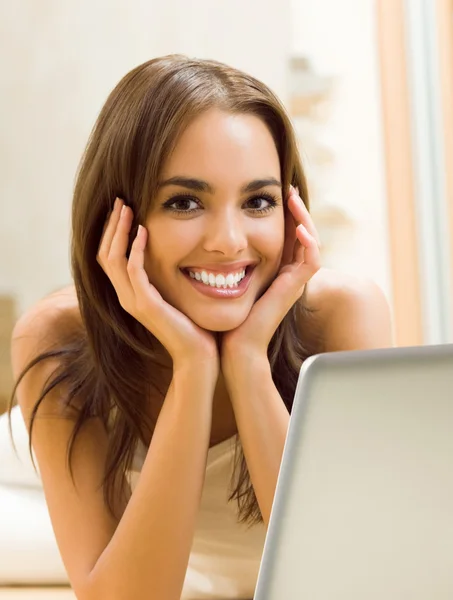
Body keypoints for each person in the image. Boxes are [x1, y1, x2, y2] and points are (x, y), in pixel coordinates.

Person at [8, 54, 393, 600]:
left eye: (258, 201)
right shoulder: (59, 337)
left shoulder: (338, 317)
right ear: (117, 217)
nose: (230, 241)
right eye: (185, 202)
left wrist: (248, 359)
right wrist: (192, 366)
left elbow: (344, 584)